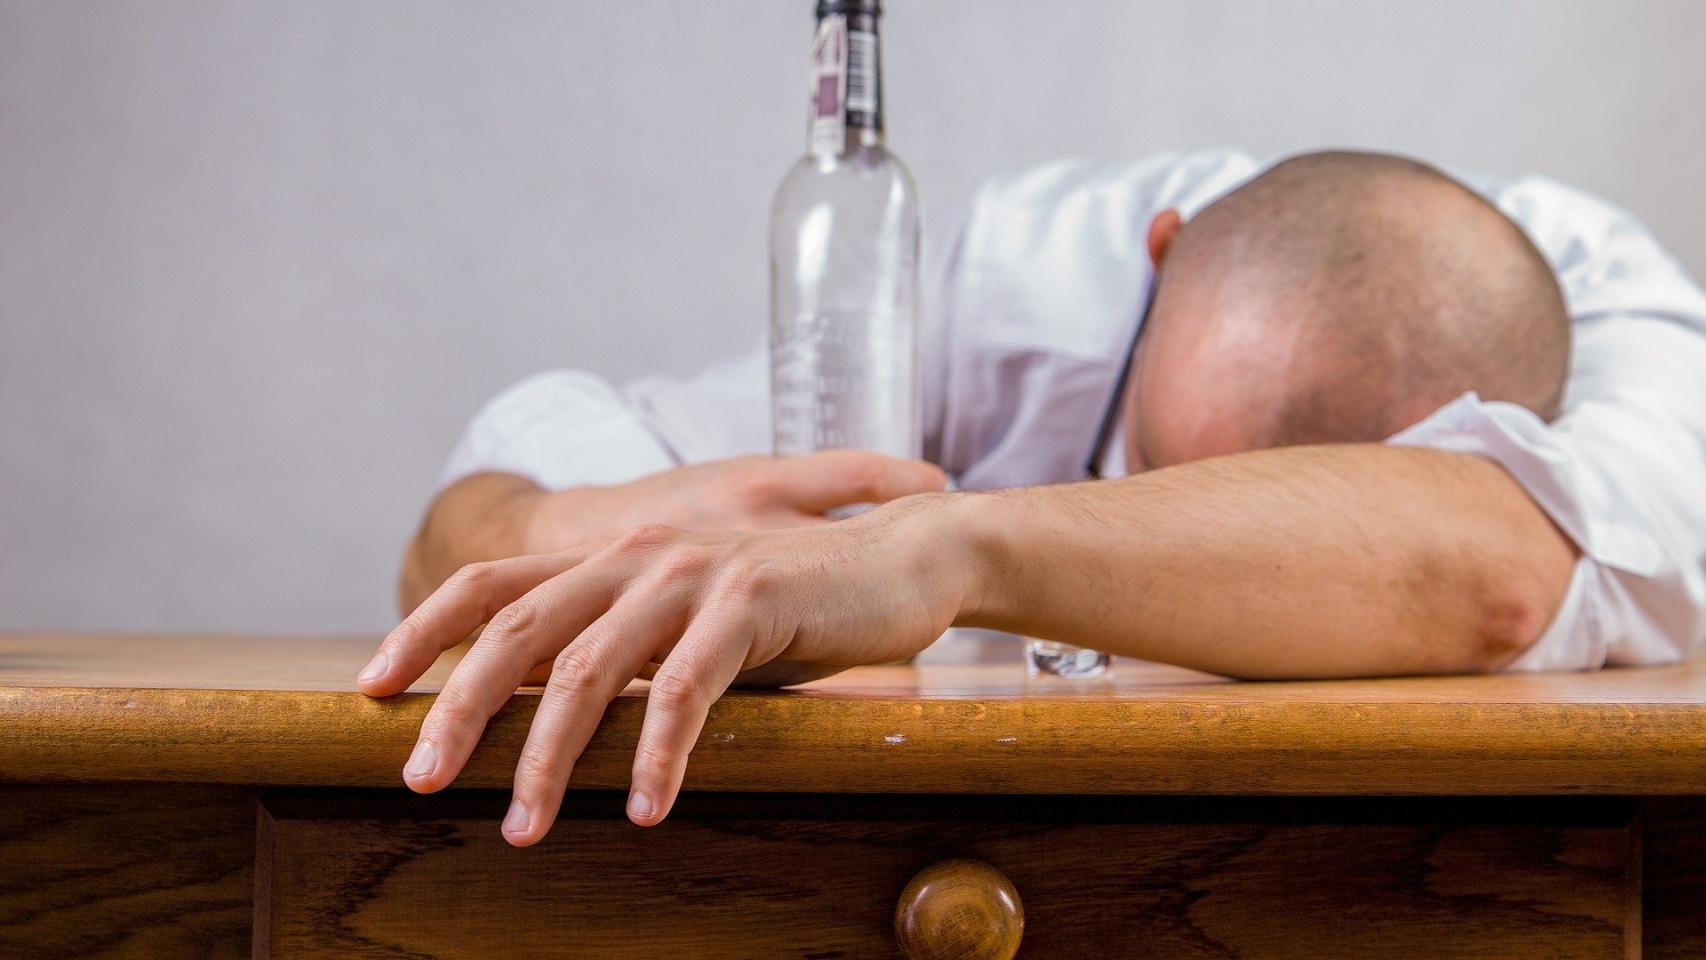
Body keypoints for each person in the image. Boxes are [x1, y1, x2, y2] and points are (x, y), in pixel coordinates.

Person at [358, 149, 1706, 847]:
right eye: (1149, 465)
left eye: (1267, 511)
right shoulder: (1021, 276)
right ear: (1156, 258)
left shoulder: (1632, 328)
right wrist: (553, 533)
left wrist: (940, 555)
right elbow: (495, 490)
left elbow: (1493, 580)